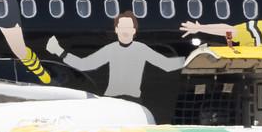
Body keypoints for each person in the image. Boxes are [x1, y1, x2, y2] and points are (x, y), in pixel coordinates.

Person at [47, 12, 186, 101]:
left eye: (128, 28)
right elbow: (84, 65)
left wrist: (190, 59)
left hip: (134, 101)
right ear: (116, 30)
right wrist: (60, 51)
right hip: (112, 100)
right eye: (122, 27)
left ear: (134, 31)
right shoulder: (111, 49)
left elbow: (166, 65)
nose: (125, 31)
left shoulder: (141, 49)